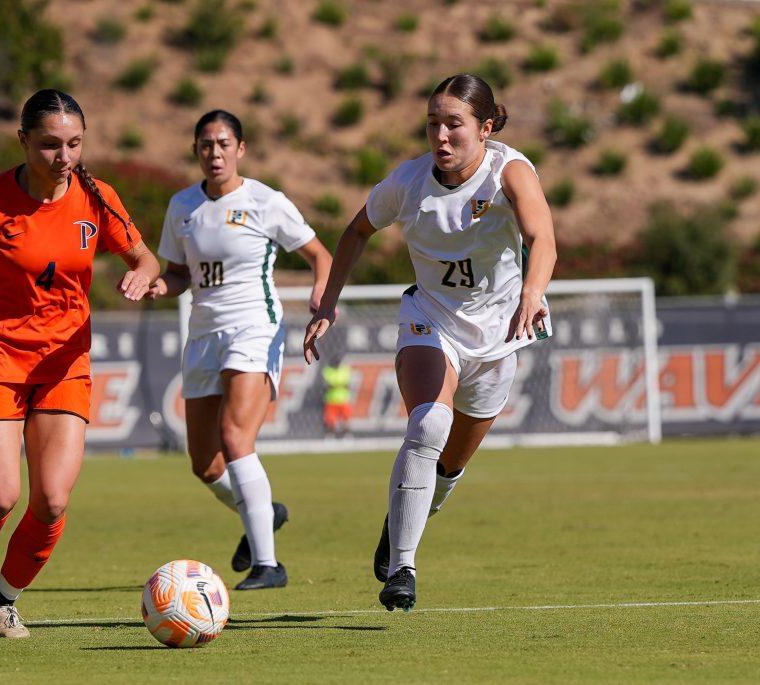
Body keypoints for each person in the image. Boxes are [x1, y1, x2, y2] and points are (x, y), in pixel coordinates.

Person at [303, 74, 556, 611]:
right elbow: (355, 233)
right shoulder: (408, 182)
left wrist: (533, 293)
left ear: (485, 128)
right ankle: (403, 568)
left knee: (450, 465)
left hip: (499, 335)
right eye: (432, 124)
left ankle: (400, 521)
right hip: (430, 319)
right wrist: (327, 301)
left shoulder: (508, 171)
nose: (440, 136)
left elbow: (542, 237)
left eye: (454, 124)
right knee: (428, 424)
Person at [0, 89, 159, 638]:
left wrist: (143, 272)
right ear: (23, 141)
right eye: (51, 145)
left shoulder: (97, 197)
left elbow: (145, 254)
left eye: (74, 143)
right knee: (1, 496)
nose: (65, 157)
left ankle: (3, 599)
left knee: (51, 500)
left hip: (63, 362)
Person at [148, 110, 332, 590]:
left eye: (224, 143)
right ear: (196, 151)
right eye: (206, 144)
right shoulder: (182, 206)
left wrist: (321, 298)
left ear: (241, 149)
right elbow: (178, 274)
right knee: (204, 464)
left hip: (254, 327)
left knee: (235, 438)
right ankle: (263, 512)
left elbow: (320, 255)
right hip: (203, 335)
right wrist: (154, 286)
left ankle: (269, 565)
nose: (215, 153)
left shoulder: (265, 202)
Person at [322, 355, 352, 438]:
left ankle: (346, 435)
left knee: (345, 420)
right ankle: (330, 435)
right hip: (331, 400)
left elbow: (348, 385)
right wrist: (339, 385)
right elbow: (327, 386)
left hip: (343, 400)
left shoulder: (344, 370)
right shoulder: (328, 371)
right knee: (330, 420)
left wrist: (335, 385)